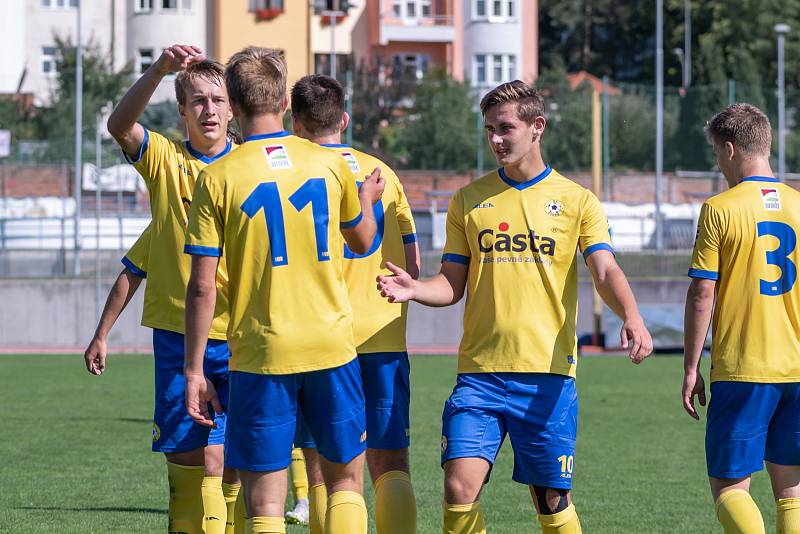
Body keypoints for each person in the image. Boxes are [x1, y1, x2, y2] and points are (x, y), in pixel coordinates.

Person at [377, 80, 653, 534]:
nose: (495, 140)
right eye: (489, 130)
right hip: (479, 375)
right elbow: (451, 284)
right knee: (457, 489)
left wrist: (633, 316)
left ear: (537, 126)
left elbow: (605, 270)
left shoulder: (577, 201)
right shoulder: (469, 200)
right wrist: (416, 288)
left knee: (551, 501)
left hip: (547, 377)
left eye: (505, 128)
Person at [183, 46, 383, 534]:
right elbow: (362, 240)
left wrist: (193, 370)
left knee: (266, 503)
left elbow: (202, 287)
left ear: (231, 101)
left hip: (260, 353)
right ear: (287, 105)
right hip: (331, 345)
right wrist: (368, 201)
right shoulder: (328, 163)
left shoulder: (216, 177)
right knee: (345, 484)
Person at [107, 44, 239, 533]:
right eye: (198, 100)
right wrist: (160, 70)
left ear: (232, 109)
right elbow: (119, 126)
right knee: (184, 467)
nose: (209, 109)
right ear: (181, 110)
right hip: (176, 332)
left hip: (243, 331)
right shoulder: (164, 158)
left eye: (218, 100)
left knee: (223, 462)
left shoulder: (249, 164)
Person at [290, 74, 420, 534]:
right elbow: (413, 264)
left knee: (332, 471)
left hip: (320, 336)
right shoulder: (384, 172)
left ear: (295, 121)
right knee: (391, 465)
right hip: (383, 333)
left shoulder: (294, 173)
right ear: (344, 118)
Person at [683, 103, 800, 534]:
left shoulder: (720, 209)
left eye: (716, 153)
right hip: (797, 369)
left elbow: (701, 293)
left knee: (730, 487)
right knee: (791, 489)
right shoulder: (799, 205)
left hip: (744, 369)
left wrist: (691, 366)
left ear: (730, 149)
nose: (717, 163)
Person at [83, 225, 151, 376]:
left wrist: (100, 336)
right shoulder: (164, 223)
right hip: (173, 334)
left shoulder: (164, 221)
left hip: (178, 334)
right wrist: (100, 336)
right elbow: (132, 273)